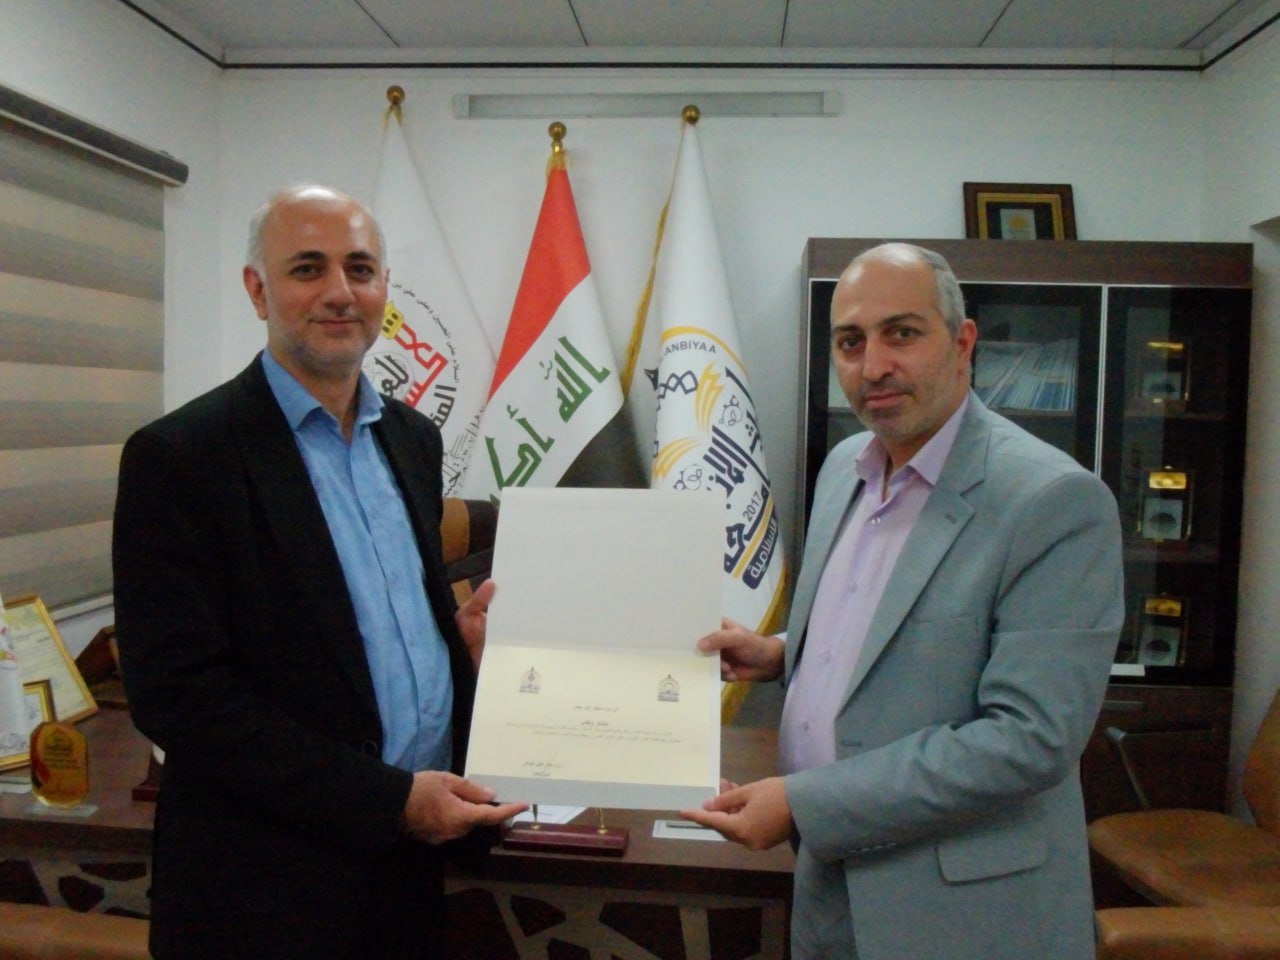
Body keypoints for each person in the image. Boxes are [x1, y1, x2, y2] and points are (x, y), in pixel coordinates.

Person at [112, 184, 524, 960]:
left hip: (405, 876)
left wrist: (455, 652)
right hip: (262, 894)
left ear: (384, 288)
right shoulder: (181, 458)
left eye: (360, 269)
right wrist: (390, 801)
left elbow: (372, 630)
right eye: (308, 268)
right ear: (257, 289)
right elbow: (179, 697)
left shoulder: (411, 439)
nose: (340, 292)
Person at [682, 243, 1124, 960]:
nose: (873, 365)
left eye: (902, 333)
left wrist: (803, 802)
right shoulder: (843, 469)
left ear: (963, 343)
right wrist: (783, 654)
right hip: (828, 883)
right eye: (850, 342)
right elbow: (900, 633)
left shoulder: (1053, 501)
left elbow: (1029, 738)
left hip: (962, 914)